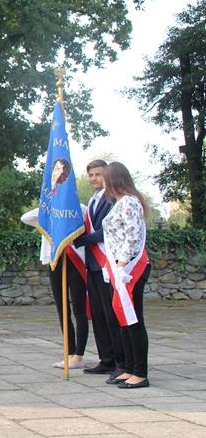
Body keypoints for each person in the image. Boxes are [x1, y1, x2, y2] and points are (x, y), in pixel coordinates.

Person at [101, 162, 151, 389]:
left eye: (105, 178)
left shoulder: (130, 202)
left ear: (113, 179)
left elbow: (132, 236)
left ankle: (140, 372)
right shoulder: (121, 202)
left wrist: (121, 267)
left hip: (130, 268)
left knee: (133, 319)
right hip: (119, 267)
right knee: (123, 318)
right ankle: (129, 368)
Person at [73, 160, 125, 379]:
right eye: (91, 175)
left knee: (111, 314)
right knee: (98, 315)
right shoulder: (93, 200)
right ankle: (106, 359)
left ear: (108, 175)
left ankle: (121, 362)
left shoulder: (113, 198)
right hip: (92, 265)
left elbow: (108, 231)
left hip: (107, 263)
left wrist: (82, 240)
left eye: (98, 174)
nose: (94, 178)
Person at [21, 207, 88, 369]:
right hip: (55, 259)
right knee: (62, 309)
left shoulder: (79, 207)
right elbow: (26, 218)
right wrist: (51, 207)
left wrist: (65, 208)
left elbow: (87, 222)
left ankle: (78, 355)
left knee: (79, 309)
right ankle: (69, 353)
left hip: (75, 259)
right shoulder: (47, 208)